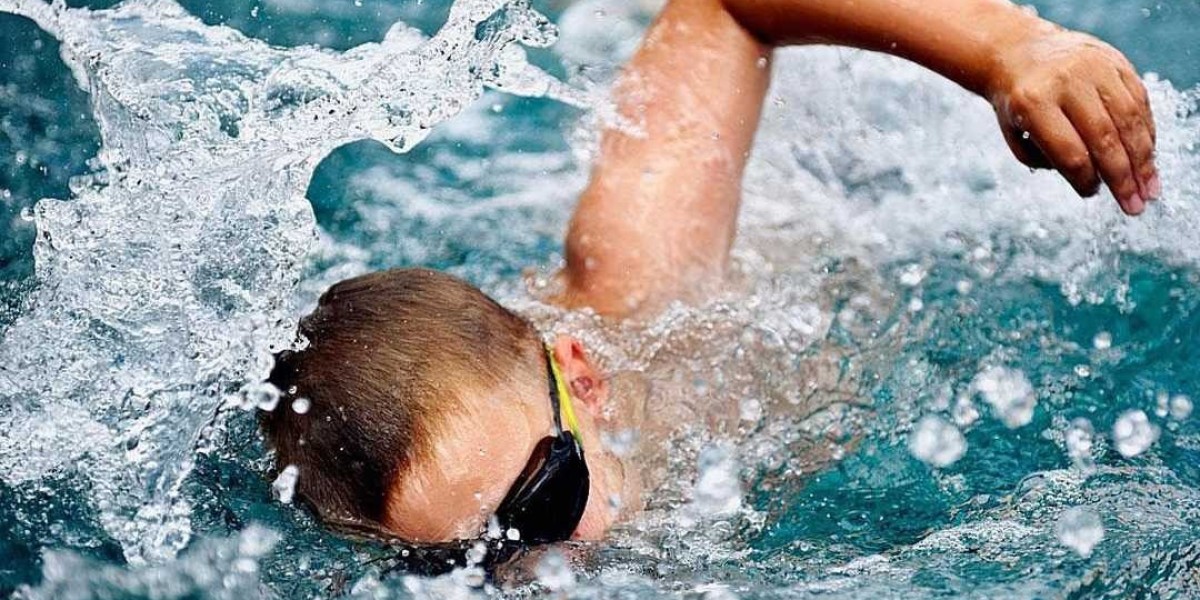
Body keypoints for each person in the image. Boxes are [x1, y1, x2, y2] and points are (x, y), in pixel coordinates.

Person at [260, 0, 1158, 572]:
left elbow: (730, 7)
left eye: (544, 504)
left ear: (582, 378)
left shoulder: (639, 284)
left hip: (862, 193)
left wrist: (1011, 49)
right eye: (454, 568)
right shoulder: (522, 469)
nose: (531, 573)